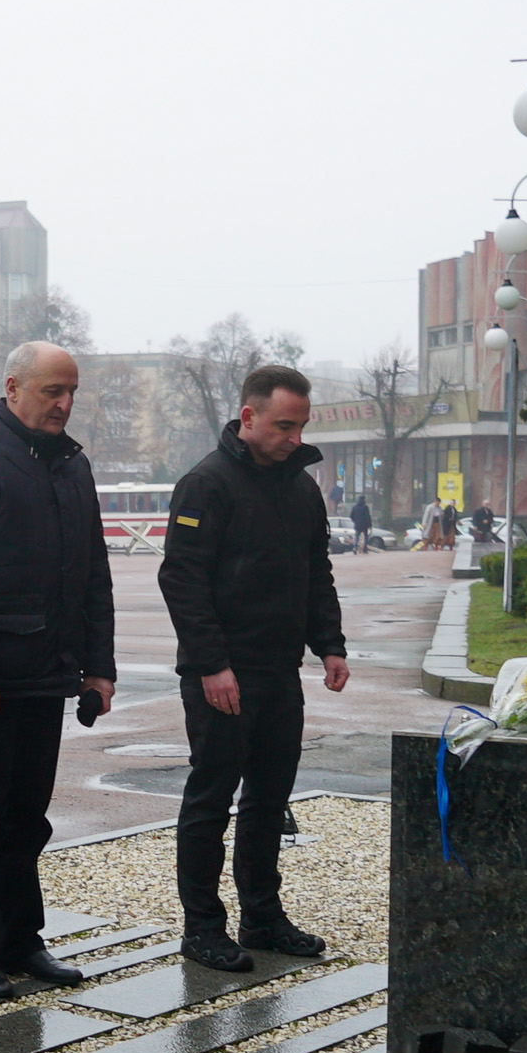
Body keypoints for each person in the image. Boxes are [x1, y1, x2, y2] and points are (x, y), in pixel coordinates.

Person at [0, 342, 115, 999]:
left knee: (28, 815)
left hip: (47, 672)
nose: (64, 403)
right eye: (51, 390)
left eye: (71, 391)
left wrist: (100, 665)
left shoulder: (70, 464)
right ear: (13, 387)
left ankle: (19, 938)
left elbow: (93, 569)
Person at [158, 364, 349, 971]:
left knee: (270, 798)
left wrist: (331, 644)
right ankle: (202, 927)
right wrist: (212, 665)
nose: (294, 438)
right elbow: (182, 580)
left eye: (301, 427)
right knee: (211, 798)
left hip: (278, 670)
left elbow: (315, 572)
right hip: (220, 675)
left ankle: (262, 917)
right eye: (284, 426)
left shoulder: (301, 489)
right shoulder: (205, 484)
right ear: (249, 417)